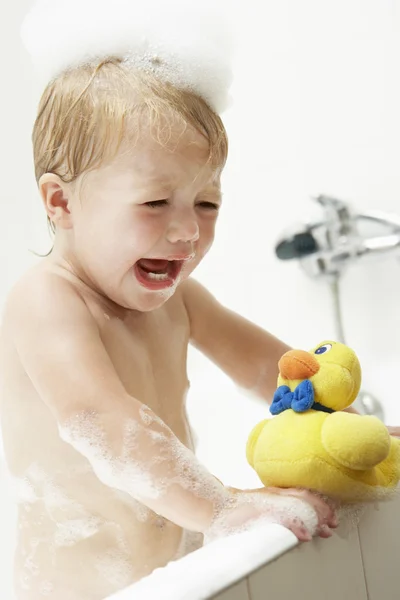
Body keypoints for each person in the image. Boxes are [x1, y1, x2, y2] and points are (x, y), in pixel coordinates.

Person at [1, 1, 375, 599]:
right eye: (155, 203)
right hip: (74, 588)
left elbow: (271, 369)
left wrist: (353, 432)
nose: (187, 232)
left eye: (207, 203)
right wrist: (223, 507)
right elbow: (103, 423)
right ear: (61, 203)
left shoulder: (181, 298)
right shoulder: (47, 301)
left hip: (173, 565)